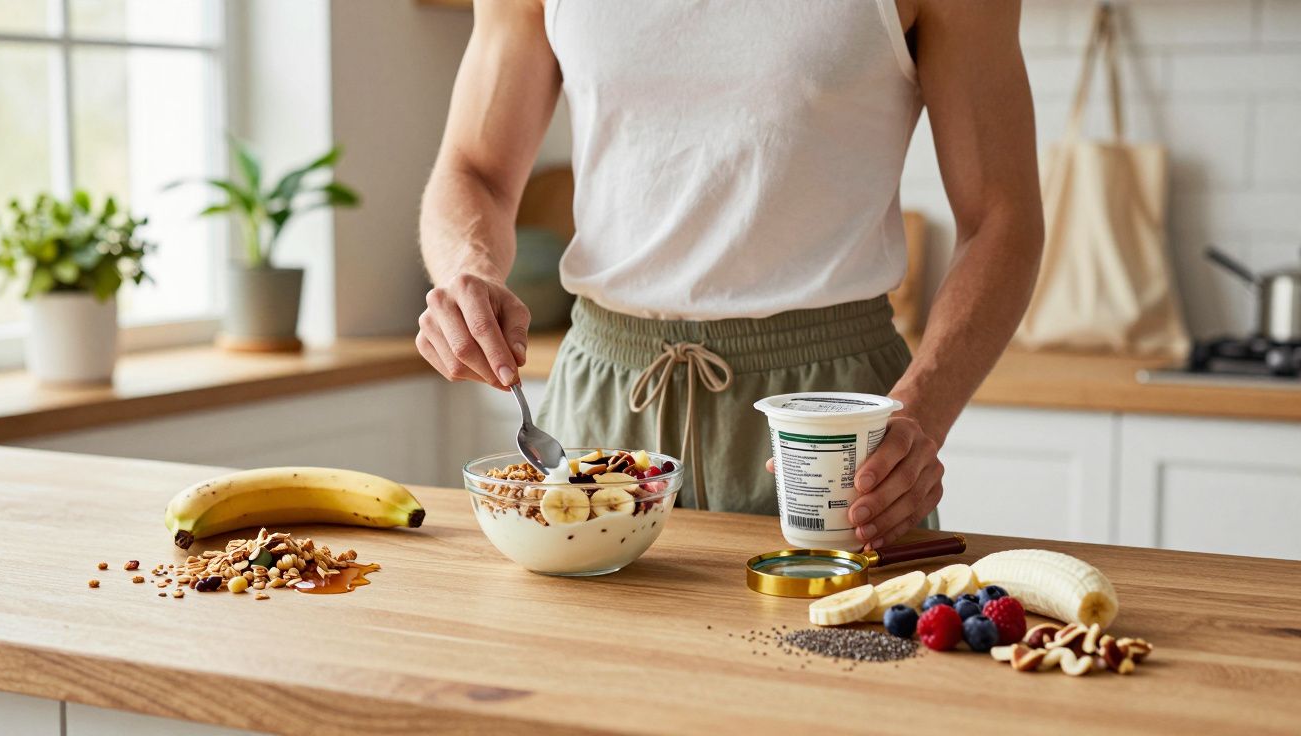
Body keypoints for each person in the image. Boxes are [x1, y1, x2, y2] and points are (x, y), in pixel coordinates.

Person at [417, 0, 1043, 550]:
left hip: (831, 423)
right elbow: (475, 169)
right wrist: (468, 269)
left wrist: (919, 414)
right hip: (600, 400)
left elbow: (1001, 218)